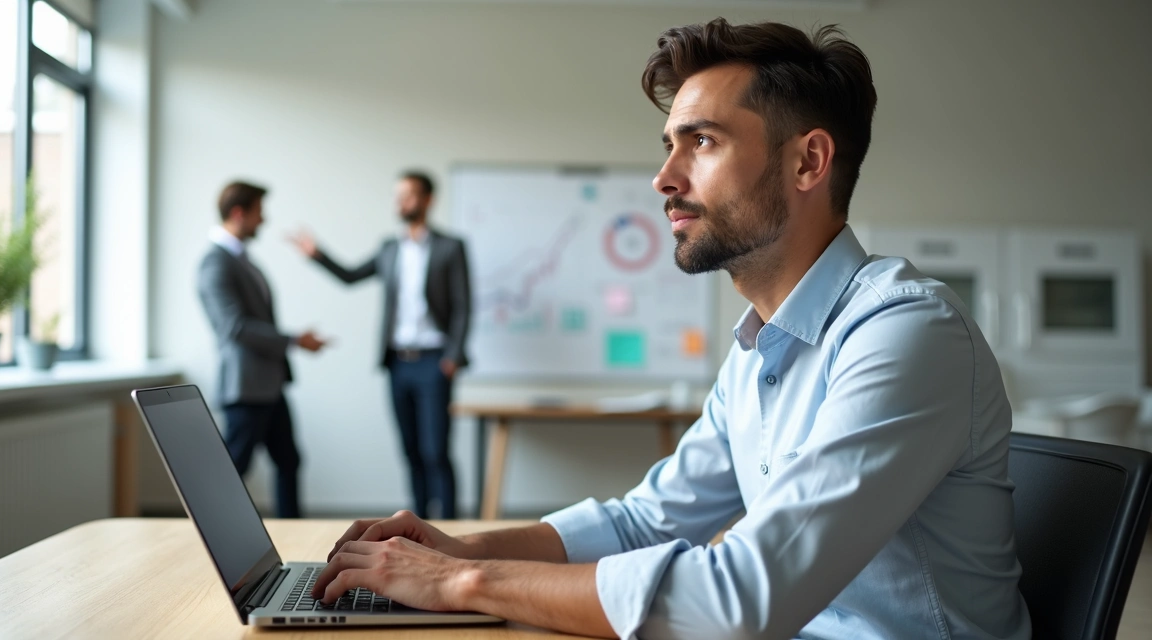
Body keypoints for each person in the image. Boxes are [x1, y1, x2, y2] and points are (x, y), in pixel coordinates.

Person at [307, 20, 1031, 640]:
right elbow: (642, 523)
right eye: (669, 144)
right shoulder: (760, 348)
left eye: (702, 142)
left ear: (808, 160)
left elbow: (743, 597)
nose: (664, 178)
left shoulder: (904, 333)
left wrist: (463, 579)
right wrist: (456, 547)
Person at [289, 171, 471, 520]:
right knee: (411, 451)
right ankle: (419, 524)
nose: (400, 202)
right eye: (397, 196)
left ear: (428, 200)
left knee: (437, 451)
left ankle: (450, 528)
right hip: (397, 363)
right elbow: (350, 276)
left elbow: (464, 305)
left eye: (408, 195)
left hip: (435, 361)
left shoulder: (451, 247)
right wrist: (317, 255)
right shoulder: (389, 248)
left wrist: (454, 356)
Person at [198, 181, 327, 519]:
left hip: (268, 384)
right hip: (246, 385)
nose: (264, 220)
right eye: (259, 212)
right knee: (233, 470)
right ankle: (211, 539)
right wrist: (295, 340)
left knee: (289, 461)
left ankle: (295, 536)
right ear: (239, 213)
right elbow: (235, 327)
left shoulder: (240, 259)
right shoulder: (216, 262)